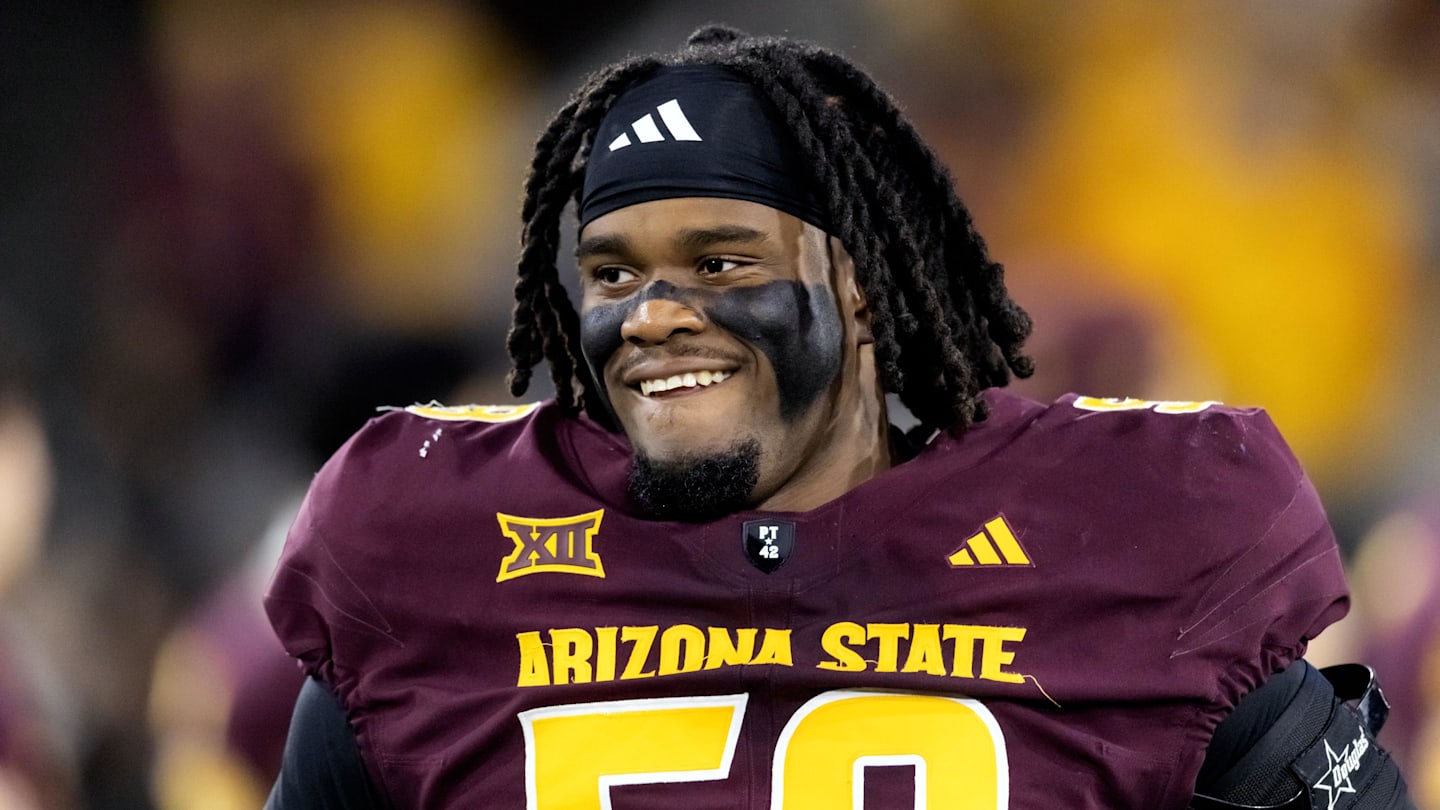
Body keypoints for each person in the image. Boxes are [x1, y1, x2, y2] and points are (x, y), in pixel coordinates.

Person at [263, 25, 1414, 809]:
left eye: (721, 263)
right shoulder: (438, 555)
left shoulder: (1121, 532)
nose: (652, 316)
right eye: (613, 274)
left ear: (862, 288)